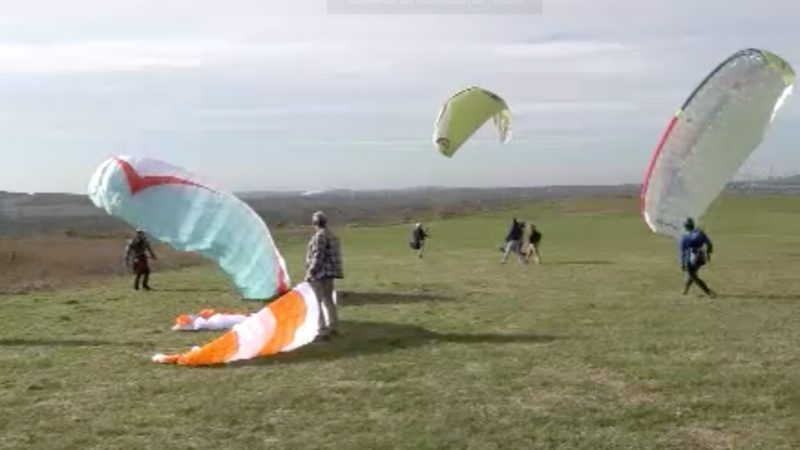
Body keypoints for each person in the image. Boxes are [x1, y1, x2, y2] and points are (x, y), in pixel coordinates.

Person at [305, 211, 344, 341]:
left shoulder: (319, 236)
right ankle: (334, 326)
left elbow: (318, 256)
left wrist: (311, 272)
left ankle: (322, 330)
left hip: (320, 273)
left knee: (317, 301)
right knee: (329, 300)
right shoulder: (332, 235)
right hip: (330, 273)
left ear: (315, 223)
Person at [679, 217, 717, 298]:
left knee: (693, 276)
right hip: (701, 257)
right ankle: (685, 290)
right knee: (692, 274)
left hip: (692, 259)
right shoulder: (700, 233)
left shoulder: (684, 237)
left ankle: (709, 292)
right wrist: (708, 253)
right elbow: (709, 244)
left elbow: (683, 252)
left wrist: (682, 263)